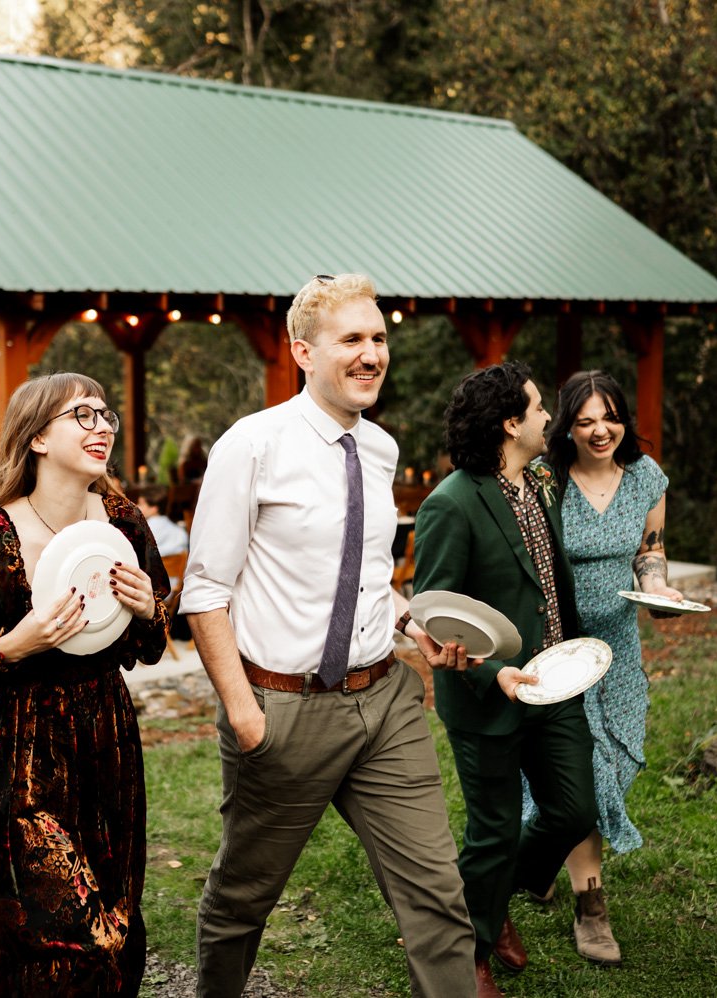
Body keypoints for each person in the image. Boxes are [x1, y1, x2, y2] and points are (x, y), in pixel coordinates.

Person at [181, 273, 477, 998]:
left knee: (439, 897)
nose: (373, 353)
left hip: (386, 702)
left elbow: (367, 573)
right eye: (353, 338)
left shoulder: (379, 449)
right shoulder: (251, 446)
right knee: (243, 899)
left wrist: (415, 623)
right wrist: (247, 715)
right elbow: (205, 591)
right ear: (303, 352)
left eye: (379, 338)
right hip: (284, 713)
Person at [0, 373, 169, 996]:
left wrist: (145, 608)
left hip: (105, 742)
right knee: (65, 937)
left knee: (116, 925)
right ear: (39, 438)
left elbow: (154, 641)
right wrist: (13, 644)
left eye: (105, 414)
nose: (102, 425)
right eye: (82, 415)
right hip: (13, 754)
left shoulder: (124, 521)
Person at [413, 362, 598, 998]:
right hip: (487, 694)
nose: (551, 416)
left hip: (556, 682)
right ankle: (471, 950)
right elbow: (433, 617)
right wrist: (494, 672)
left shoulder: (540, 479)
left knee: (575, 810)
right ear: (510, 423)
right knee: (491, 832)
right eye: (539, 408)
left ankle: (486, 898)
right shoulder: (450, 504)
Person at [517, 369, 684, 965]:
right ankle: (592, 909)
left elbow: (651, 551)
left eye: (608, 417)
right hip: (558, 648)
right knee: (582, 774)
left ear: (623, 420)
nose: (599, 430)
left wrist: (658, 588)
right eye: (584, 420)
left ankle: (540, 862)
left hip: (619, 649)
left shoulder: (645, 478)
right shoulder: (544, 479)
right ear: (566, 424)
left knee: (613, 762)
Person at [133, 485, 188, 559]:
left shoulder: (142, 532)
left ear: (154, 508)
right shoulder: (180, 533)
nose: (137, 506)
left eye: (141, 504)